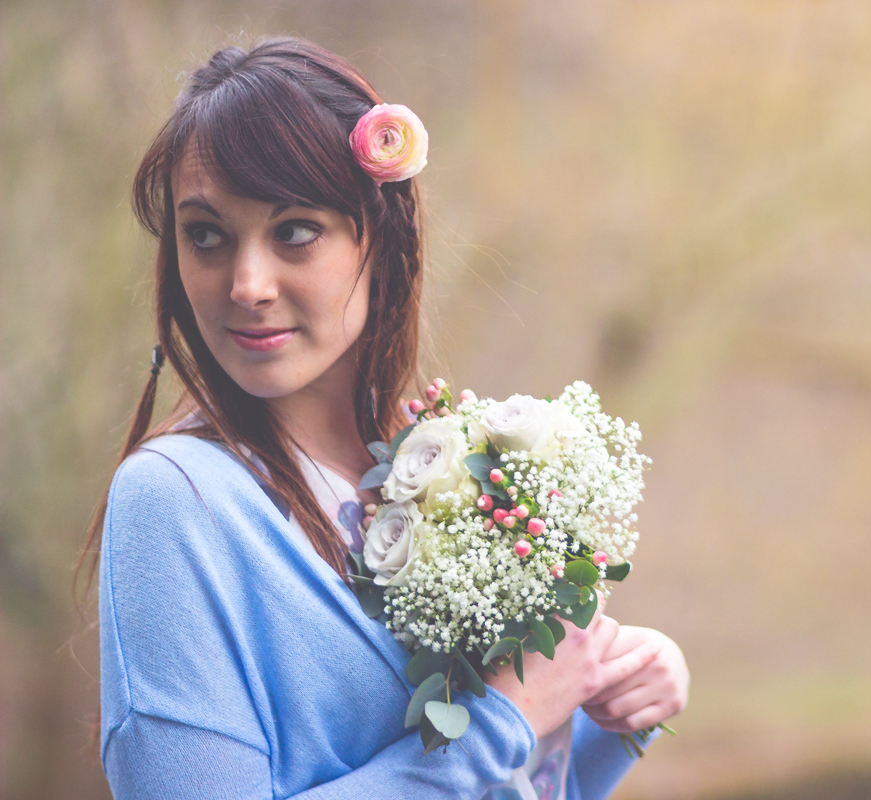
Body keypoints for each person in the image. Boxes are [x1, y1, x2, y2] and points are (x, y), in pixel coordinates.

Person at [80, 36, 688, 800]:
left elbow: (508, 773)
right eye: (207, 235)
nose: (247, 283)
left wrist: (611, 705)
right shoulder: (177, 501)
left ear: (382, 236)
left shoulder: (434, 471)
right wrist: (506, 719)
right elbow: (493, 738)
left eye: (294, 230)